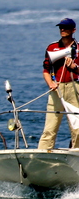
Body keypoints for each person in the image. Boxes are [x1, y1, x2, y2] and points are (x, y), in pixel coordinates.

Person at [37, 18, 79, 150]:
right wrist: (50, 83)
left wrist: (74, 67)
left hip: (75, 87)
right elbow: (46, 70)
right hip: (57, 88)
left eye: (66, 28)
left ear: (73, 30)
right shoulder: (52, 47)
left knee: (77, 128)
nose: (62, 30)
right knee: (50, 127)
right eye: (61, 27)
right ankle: (42, 156)